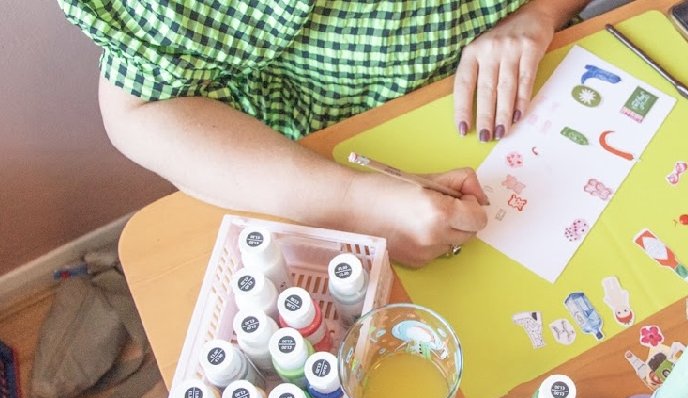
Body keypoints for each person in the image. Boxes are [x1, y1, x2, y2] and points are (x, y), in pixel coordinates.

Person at [59, 0, 591, 267]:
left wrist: (541, 12)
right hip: (329, 164)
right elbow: (135, 109)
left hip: (543, 83)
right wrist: (351, 203)